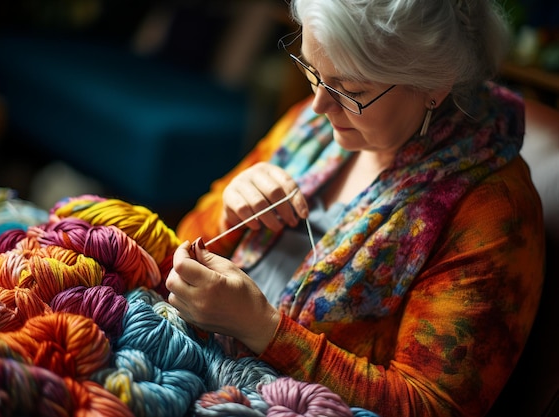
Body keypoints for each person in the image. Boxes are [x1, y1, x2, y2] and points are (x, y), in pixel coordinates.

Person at [165, 0, 545, 415]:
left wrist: (263, 329)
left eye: (353, 90)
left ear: (435, 84)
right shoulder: (317, 126)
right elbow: (184, 242)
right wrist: (229, 213)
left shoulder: (491, 212)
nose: (318, 105)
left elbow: (434, 406)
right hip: (193, 368)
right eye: (311, 71)